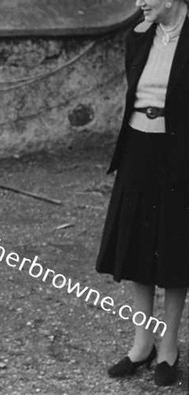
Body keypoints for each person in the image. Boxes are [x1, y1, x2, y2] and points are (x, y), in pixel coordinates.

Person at [96, 0, 189, 387]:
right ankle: (142, 343)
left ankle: (168, 346)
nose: (139, 2)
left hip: (180, 154)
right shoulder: (138, 35)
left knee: (173, 248)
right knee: (136, 247)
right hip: (138, 149)